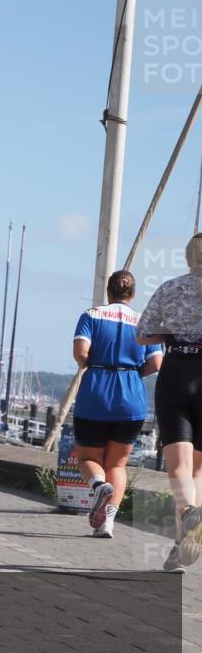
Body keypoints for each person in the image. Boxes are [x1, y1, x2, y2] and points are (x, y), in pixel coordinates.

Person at [72, 270, 163, 539]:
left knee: (88, 457)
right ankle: (107, 522)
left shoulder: (91, 315)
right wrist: (134, 373)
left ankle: (98, 486)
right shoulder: (144, 322)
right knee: (118, 465)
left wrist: (90, 363)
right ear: (132, 295)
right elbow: (157, 362)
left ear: (109, 292)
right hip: (131, 396)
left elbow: (80, 353)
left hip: (95, 392)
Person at [136, 232, 202, 572]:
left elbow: (143, 333)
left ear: (188, 257)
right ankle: (183, 541)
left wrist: (170, 332)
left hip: (176, 369)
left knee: (178, 462)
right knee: (199, 468)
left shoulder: (170, 288)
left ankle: (187, 521)